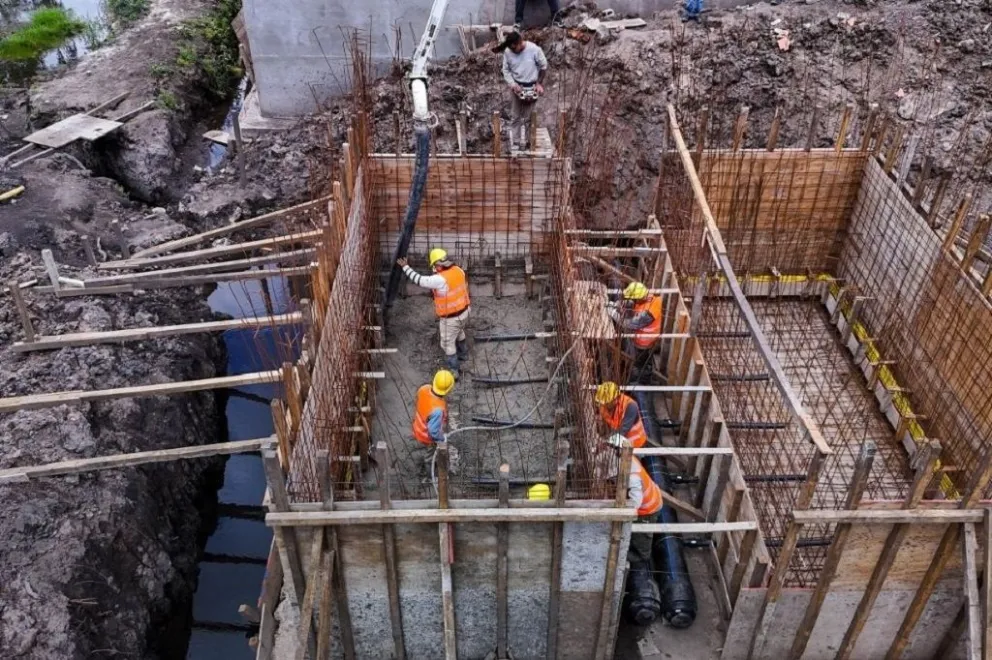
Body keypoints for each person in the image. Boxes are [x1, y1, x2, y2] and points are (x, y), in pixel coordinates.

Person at [397, 248, 471, 377]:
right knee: (459, 331)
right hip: (465, 312)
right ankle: (464, 354)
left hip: (451, 319)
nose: (434, 269)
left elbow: (420, 280)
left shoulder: (439, 279)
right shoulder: (458, 270)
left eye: (434, 266)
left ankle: (454, 370)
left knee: (447, 343)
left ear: (438, 265)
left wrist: (405, 267)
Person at [601, 434, 663, 567]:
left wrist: (619, 512)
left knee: (641, 546)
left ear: (618, 451)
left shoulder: (632, 476)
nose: (607, 450)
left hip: (648, 510)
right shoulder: (624, 458)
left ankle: (635, 556)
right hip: (649, 499)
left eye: (610, 448)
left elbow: (635, 504)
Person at [493, 31, 548, 150]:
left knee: (529, 118)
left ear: (520, 42)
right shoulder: (508, 52)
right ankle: (516, 142)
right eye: (511, 48)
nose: (513, 51)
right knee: (515, 116)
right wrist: (512, 84)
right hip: (517, 87)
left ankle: (529, 142)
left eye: (514, 48)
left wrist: (539, 83)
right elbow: (506, 70)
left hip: (531, 86)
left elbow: (543, 66)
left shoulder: (534, 50)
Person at [608, 281, 663, 382]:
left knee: (639, 361)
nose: (633, 300)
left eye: (634, 298)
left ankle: (643, 378)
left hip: (644, 341)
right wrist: (618, 304)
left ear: (640, 297)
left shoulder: (647, 314)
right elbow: (633, 303)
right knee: (642, 356)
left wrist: (613, 313)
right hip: (647, 337)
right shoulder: (651, 298)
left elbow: (629, 323)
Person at [411, 369, 456, 474]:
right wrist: (441, 439)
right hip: (427, 436)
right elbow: (433, 432)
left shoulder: (424, 388)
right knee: (430, 455)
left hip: (418, 426)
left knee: (427, 447)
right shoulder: (437, 410)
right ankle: (429, 472)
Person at [594, 381, 649, 448]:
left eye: (606, 403)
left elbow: (623, 431)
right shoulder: (604, 407)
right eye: (602, 403)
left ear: (615, 399)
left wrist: (605, 443)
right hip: (620, 442)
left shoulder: (631, 406)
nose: (603, 405)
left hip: (636, 444)